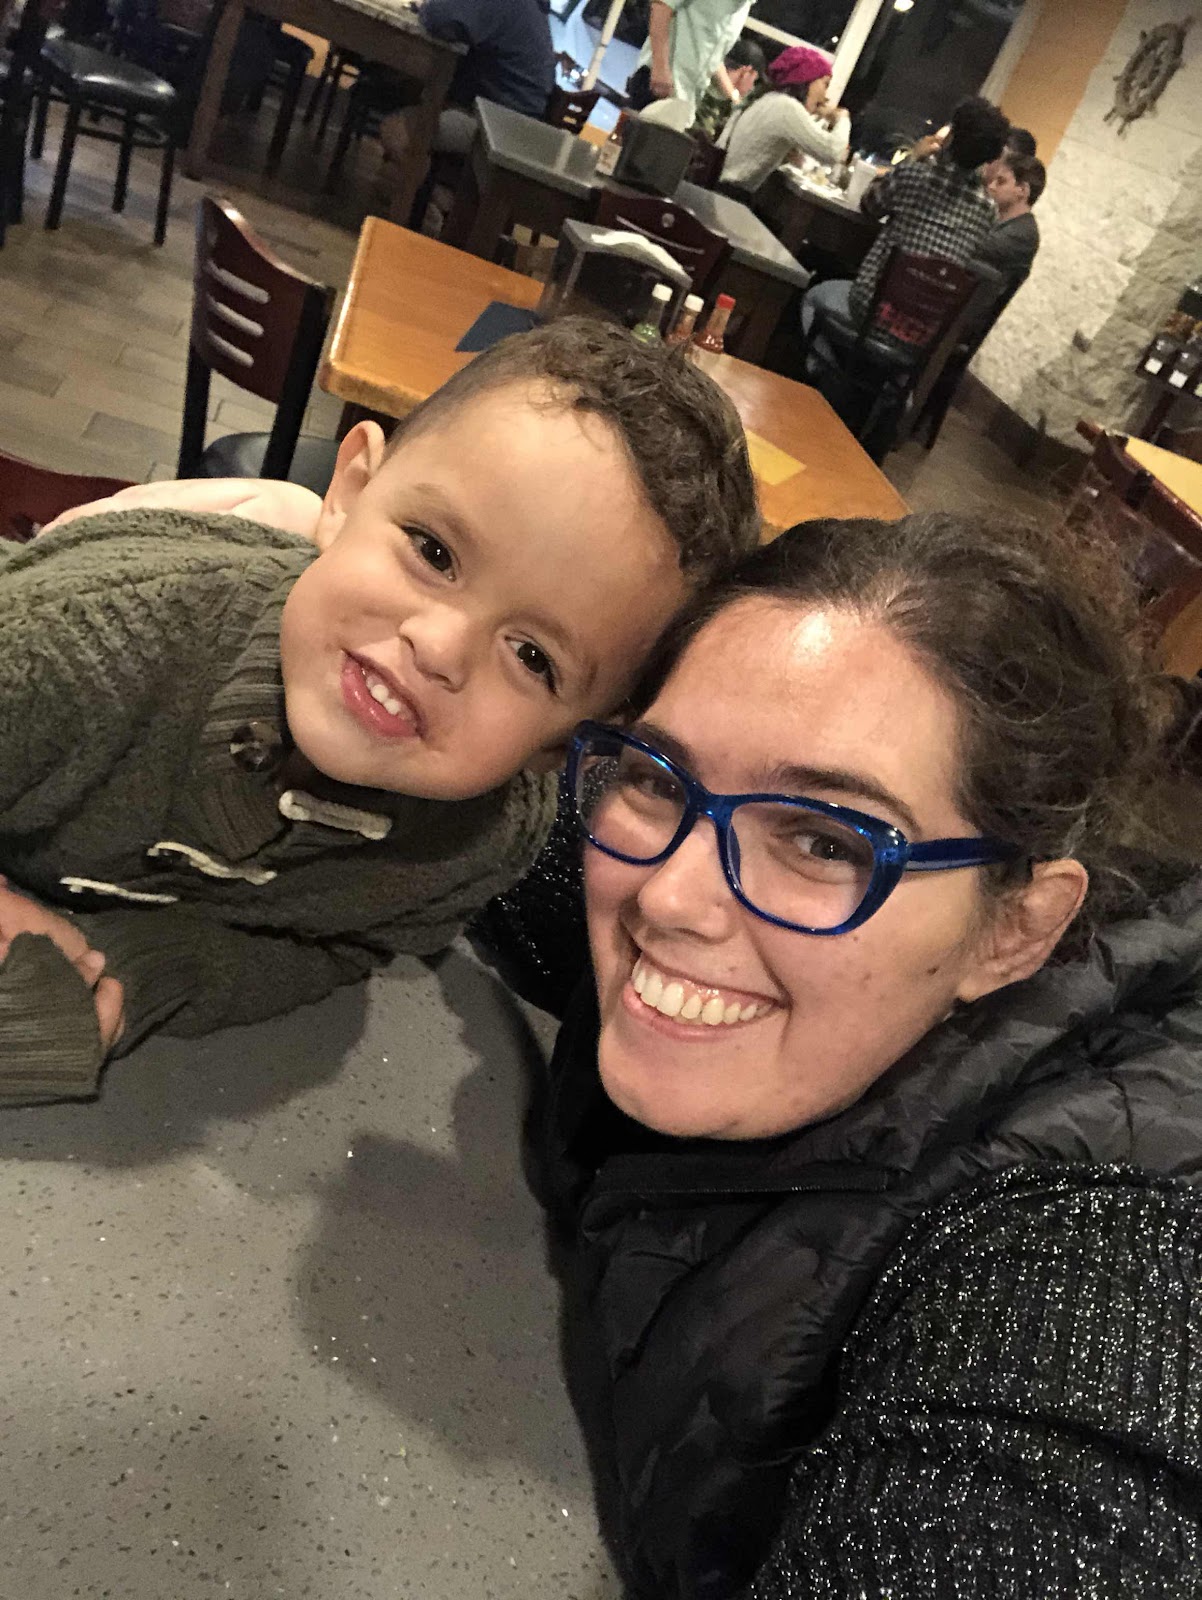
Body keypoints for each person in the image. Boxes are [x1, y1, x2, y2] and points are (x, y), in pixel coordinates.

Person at [474, 509, 1202, 1599]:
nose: (667, 899)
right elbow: (475, 803)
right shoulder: (662, 881)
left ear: (1015, 932)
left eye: (824, 841)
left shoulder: (1088, 1249)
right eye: (660, 777)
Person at [0, 319, 759, 1106]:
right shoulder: (87, 643)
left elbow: (336, 945)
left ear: (565, 746)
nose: (439, 647)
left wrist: (122, 971)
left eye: (533, 656)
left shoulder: (479, 845)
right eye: (433, 551)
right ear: (350, 492)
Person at [800, 95, 1009, 342]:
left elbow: (870, 205)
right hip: (921, 331)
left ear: (950, 138)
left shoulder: (915, 175)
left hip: (871, 310)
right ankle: (857, 361)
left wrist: (913, 157)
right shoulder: (988, 210)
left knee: (814, 294)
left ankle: (826, 361)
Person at [377, 0, 555, 211]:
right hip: (513, 121)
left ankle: (441, 201)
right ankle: (423, 193)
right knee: (413, 100)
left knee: (396, 131)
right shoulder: (530, 8)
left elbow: (439, 18)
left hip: (498, 128)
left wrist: (424, 5)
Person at [717, 43, 849, 198]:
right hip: (729, 196)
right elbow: (832, 152)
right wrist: (842, 117)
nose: (825, 96)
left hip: (719, 186)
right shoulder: (787, 107)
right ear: (807, 78)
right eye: (825, 84)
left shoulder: (769, 98)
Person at [626, 0, 754, 116]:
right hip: (659, 86)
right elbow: (661, 7)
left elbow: (713, 56)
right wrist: (660, 68)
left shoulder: (744, 6)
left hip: (687, 101)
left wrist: (734, 95)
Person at [978, 148, 1044, 295]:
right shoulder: (1005, 221)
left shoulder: (1023, 234)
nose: (991, 186)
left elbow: (975, 245)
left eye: (1001, 182)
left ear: (1022, 190)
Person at [692, 36, 766, 141]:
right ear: (746, 71)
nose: (751, 87)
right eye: (754, 80)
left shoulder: (711, 87)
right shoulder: (709, 94)